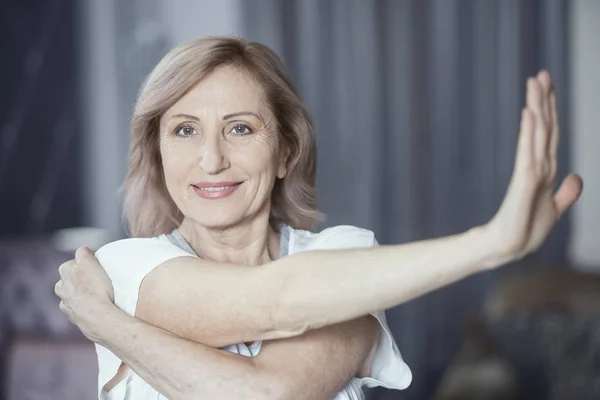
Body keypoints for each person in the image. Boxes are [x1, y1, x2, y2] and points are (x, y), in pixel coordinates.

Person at [54, 36, 582, 400]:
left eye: (240, 128)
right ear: (158, 154)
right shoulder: (123, 267)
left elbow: (271, 389)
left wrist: (110, 327)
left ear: (285, 153)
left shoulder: (345, 256)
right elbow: (274, 308)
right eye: (184, 130)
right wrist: (490, 243)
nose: (210, 159)